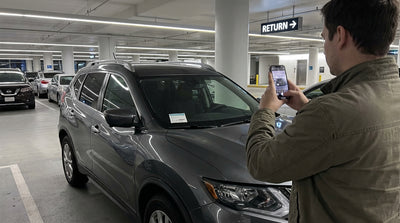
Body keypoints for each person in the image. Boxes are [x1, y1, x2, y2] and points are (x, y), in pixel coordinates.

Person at [246, 0, 400, 222]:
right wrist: (308, 107)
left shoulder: (330, 114)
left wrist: (266, 110)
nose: (324, 43)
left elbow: (261, 164)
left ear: (340, 35)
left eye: (324, 35)